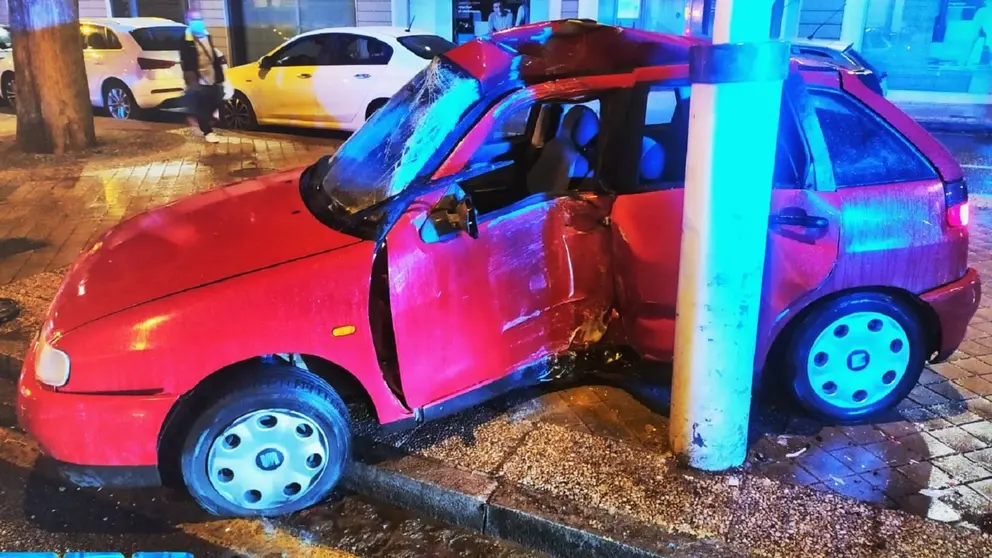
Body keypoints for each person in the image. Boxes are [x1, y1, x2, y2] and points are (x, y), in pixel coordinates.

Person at [180, 10, 226, 143]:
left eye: (199, 19)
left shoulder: (206, 35)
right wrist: (192, 79)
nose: (198, 22)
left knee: (217, 98)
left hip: (212, 74)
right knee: (203, 105)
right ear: (188, 22)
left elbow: (212, 55)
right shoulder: (186, 39)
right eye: (194, 20)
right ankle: (207, 131)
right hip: (198, 77)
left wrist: (220, 75)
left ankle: (197, 116)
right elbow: (187, 60)